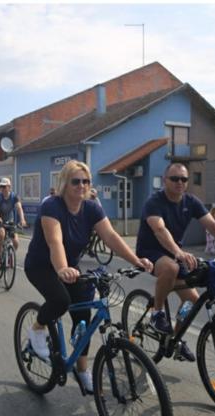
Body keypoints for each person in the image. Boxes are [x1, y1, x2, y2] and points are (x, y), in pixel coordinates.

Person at [24, 160, 153, 393]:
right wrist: (62, 269)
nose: (82, 186)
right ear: (64, 183)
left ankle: (82, 371)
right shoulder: (52, 205)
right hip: (41, 266)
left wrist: (136, 261)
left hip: (69, 267)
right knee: (60, 300)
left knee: (83, 315)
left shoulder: (92, 208)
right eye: (76, 181)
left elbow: (110, 236)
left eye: (86, 181)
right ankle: (37, 328)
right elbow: (55, 241)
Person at [136, 162, 215, 362]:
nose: (179, 182)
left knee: (192, 301)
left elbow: (212, 225)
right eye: (174, 178)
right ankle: (157, 313)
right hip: (151, 252)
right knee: (170, 268)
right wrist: (178, 252)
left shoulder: (191, 202)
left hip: (175, 253)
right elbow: (160, 230)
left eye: (184, 179)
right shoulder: (154, 202)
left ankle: (175, 339)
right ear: (165, 180)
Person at [0, 177, 27, 265]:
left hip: (10, 221)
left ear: (9, 187)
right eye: (1, 187)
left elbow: (19, 208)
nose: (2, 189)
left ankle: (10, 255)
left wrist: (22, 219)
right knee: (1, 234)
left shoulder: (14, 197)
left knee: (16, 242)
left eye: (4, 187)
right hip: (0, 221)